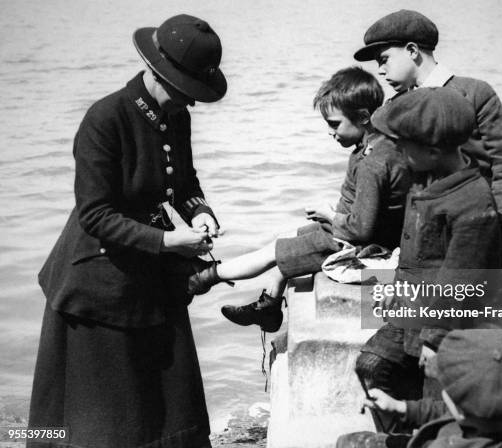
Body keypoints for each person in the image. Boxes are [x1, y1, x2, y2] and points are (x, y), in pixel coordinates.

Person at [353, 9, 502, 415]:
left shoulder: (475, 92)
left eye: (384, 58)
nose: (380, 69)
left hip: (500, 216)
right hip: (448, 231)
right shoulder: (399, 109)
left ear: (413, 51)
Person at [28, 14, 226, 448]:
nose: (190, 103)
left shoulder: (175, 116)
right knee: (95, 420)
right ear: (157, 72)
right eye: (185, 91)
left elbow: (184, 182)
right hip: (96, 280)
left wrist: (199, 214)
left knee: (171, 407)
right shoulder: (105, 118)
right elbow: (94, 214)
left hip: (148, 271)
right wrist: (167, 241)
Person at [188, 67, 416, 333]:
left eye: (334, 124)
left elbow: (361, 229)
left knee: (271, 253)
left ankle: (201, 278)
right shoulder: (381, 145)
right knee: (284, 239)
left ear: (364, 117)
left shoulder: (372, 161)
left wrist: (329, 215)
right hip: (355, 232)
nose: (330, 133)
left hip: (354, 241)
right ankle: (269, 306)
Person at [337, 329, 502, 448]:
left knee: (348, 443)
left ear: (461, 412)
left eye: (447, 389)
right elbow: (449, 413)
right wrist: (401, 407)